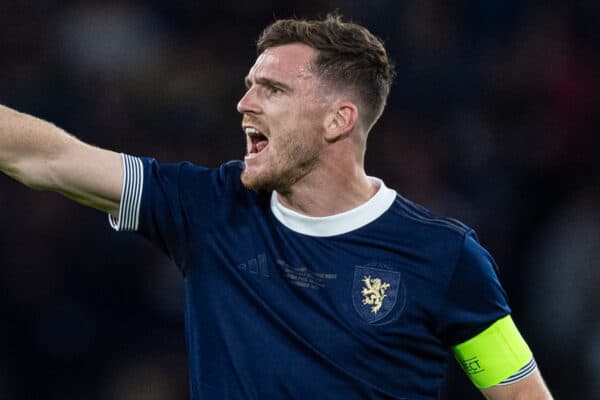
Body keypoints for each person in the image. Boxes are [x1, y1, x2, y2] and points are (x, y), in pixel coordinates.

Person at [0, 14, 553, 400]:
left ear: (338, 120)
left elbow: (520, 392)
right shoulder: (209, 208)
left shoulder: (444, 256)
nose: (243, 103)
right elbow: (48, 159)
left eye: (273, 89)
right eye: (248, 85)